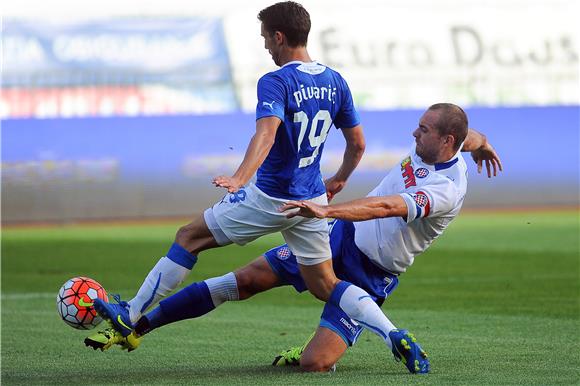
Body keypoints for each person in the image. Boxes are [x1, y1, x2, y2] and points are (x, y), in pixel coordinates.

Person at [91, 1, 424, 372]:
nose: (265, 45)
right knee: (326, 285)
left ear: (280, 36)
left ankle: (130, 313)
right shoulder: (335, 81)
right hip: (311, 200)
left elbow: (266, 135)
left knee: (189, 237)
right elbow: (358, 144)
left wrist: (239, 179)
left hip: (270, 197)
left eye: (266, 37)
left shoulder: (276, 80)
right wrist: (340, 179)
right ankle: (393, 333)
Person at [86, 103, 502, 374]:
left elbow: (386, 207)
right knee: (243, 281)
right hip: (338, 238)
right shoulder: (449, 142)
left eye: (423, 130)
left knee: (314, 365)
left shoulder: (446, 189)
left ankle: (332, 347)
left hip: (373, 272)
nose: (414, 134)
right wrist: (482, 143)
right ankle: (140, 325)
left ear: (445, 142)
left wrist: (325, 209)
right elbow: (471, 136)